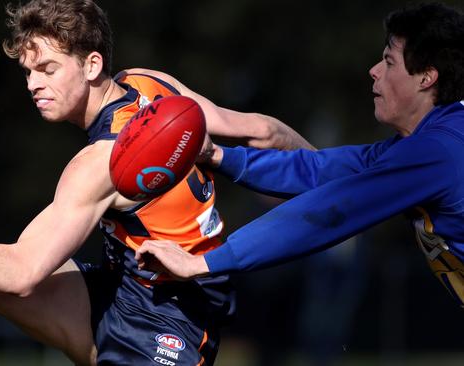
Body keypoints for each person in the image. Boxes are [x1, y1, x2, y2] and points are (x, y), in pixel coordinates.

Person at [0, 0, 312, 365]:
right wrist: (341, 182)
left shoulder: (99, 164)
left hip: (170, 327)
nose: (33, 83)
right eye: (29, 71)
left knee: (6, 274)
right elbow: (261, 131)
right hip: (121, 293)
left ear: (92, 64)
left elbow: (23, 271)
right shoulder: (152, 86)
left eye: (48, 68)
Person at [136, 2, 464, 309]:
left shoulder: (437, 150)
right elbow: (318, 171)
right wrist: (218, 155)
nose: (374, 70)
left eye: (389, 61)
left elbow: (329, 211)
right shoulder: (427, 143)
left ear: (426, 77)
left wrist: (202, 262)